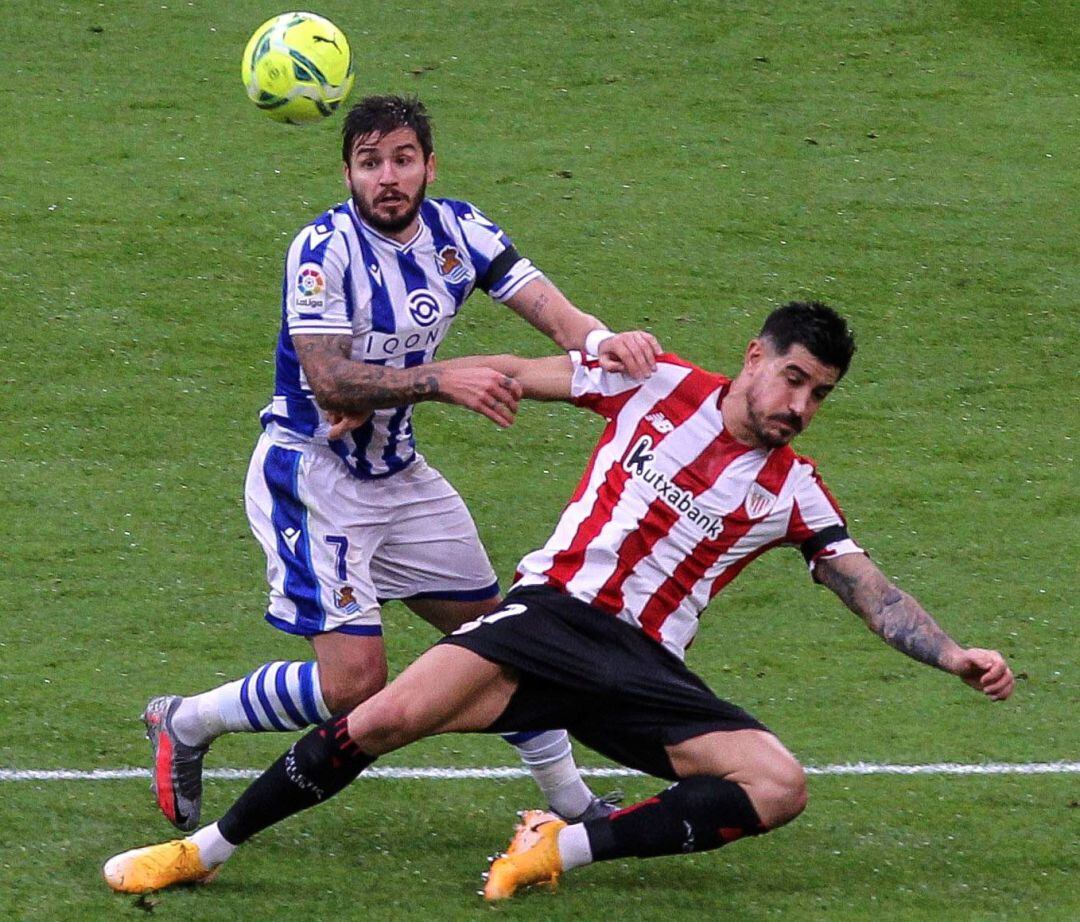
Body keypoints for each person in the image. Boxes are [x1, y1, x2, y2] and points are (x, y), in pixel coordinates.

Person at [106, 301, 1014, 899]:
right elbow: (509, 371)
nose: (802, 406)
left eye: (820, 395)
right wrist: (398, 394)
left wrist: (951, 654)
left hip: (643, 668)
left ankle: (562, 844)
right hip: (549, 619)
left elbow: (870, 590)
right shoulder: (651, 383)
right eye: (795, 380)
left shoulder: (796, 489)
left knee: (778, 786)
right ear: (755, 358)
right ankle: (202, 853)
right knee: (378, 719)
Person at [143, 94, 662, 834]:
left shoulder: (461, 231)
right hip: (312, 478)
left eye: (402, 159)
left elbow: (554, 312)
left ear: (428, 165)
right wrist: (439, 379)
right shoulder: (320, 251)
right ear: (348, 172)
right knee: (355, 685)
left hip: (399, 476)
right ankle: (186, 722)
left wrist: (603, 341)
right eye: (369, 162)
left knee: (501, 635)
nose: (387, 176)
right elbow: (328, 381)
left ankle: (572, 802)